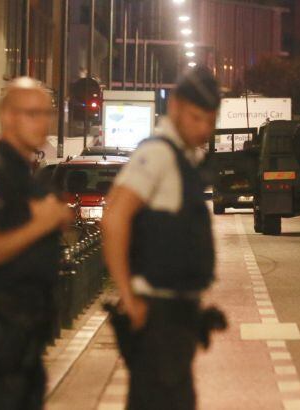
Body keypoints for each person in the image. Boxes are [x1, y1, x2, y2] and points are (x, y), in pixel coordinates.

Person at [102, 67, 221, 409]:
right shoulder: (157, 154)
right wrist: (128, 296)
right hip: (158, 318)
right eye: (197, 118)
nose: (204, 129)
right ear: (176, 108)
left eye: (210, 121)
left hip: (176, 317)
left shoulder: (182, 158)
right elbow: (114, 218)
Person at [0, 77, 73, 410]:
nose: (42, 123)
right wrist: (42, 224)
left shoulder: (25, 177)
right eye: (31, 114)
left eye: (46, 114)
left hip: (24, 346)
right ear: (7, 117)